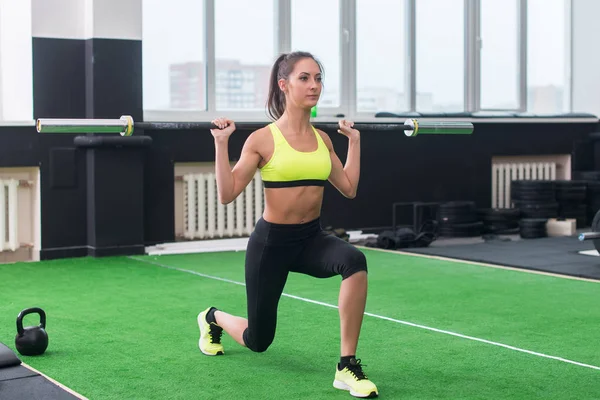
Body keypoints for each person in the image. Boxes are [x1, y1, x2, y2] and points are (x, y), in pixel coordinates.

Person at [197, 51, 378, 399]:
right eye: (305, 78)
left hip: (311, 239)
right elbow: (226, 193)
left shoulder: (323, 140)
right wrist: (222, 145)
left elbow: (349, 188)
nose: (314, 85)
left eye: (318, 78)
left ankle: (346, 365)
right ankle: (212, 317)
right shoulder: (263, 140)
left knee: (355, 261)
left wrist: (353, 143)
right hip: (271, 245)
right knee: (258, 341)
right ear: (284, 85)